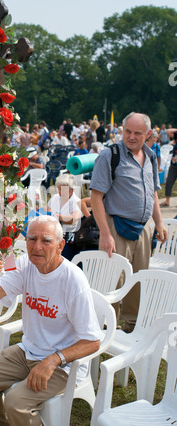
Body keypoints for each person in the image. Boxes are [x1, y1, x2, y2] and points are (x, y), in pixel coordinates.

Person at [0, 215, 101, 426]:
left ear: (60, 246)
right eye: (31, 239)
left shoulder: (73, 280)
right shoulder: (25, 264)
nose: (37, 247)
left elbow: (92, 342)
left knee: (16, 402)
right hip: (28, 351)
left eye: (46, 241)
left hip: (63, 365)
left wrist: (52, 361)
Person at [90, 112, 168, 332]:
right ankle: (106, 329)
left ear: (149, 134)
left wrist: (159, 223)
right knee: (113, 281)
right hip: (115, 228)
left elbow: (152, 193)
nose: (131, 137)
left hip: (143, 230)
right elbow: (96, 198)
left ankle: (132, 327)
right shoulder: (110, 155)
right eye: (127, 132)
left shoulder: (151, 156)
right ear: (121, 130)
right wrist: (105, 234)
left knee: (138, 280)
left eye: (137, 133)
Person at [47, 174, 83, 260]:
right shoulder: (55, 198)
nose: (60, 192)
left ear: (72, 190)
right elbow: (48, 210)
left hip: (68, 238)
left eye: (63, 190)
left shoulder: (76, 201)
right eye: (59, 189)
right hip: (52, 233)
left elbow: (73, 219)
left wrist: (56, 216)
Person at [160, 133, 177, 207]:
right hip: (173, 165)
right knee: (169, 181)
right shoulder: (176, 141)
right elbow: (168, 131)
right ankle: (167, 201)